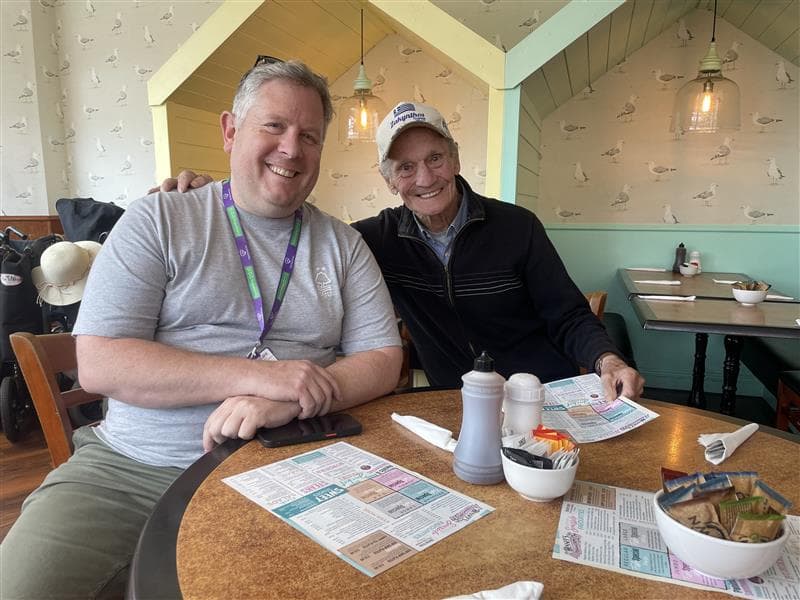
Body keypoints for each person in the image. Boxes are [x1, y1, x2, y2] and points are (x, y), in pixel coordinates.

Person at [0, 60, 402, 599]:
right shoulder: (159, 219)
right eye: (274, 126)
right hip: (136, 470)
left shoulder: (344, 245)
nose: (292, 148)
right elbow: (99, 361)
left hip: (298, 458)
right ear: (230, 130)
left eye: (310, 136)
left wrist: (294, 399)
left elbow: (381, 355)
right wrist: (268, 378)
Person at [160, 101, 644, 401]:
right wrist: (215, 198)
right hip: (453, 402)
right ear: (389, 180)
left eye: (435, 159)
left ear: (454, 159)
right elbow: (294, 230)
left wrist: (609, 361)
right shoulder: (370, 238)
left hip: (539, 393)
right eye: (405, 167)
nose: (425, 177)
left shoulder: (517, 226)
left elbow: (568, 315)